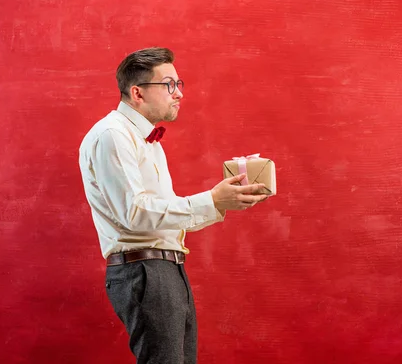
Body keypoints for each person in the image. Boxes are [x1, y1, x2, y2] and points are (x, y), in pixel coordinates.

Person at [78, 47, 269, 363]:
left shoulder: (145, 141)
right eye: (168, 85)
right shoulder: (114, 135)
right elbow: (135, 214)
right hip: (145, 271)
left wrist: (225, 202)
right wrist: (210, 199)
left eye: (179, 84)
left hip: (165, 269)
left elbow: (160, 216)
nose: (178, 93)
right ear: (137, 93)